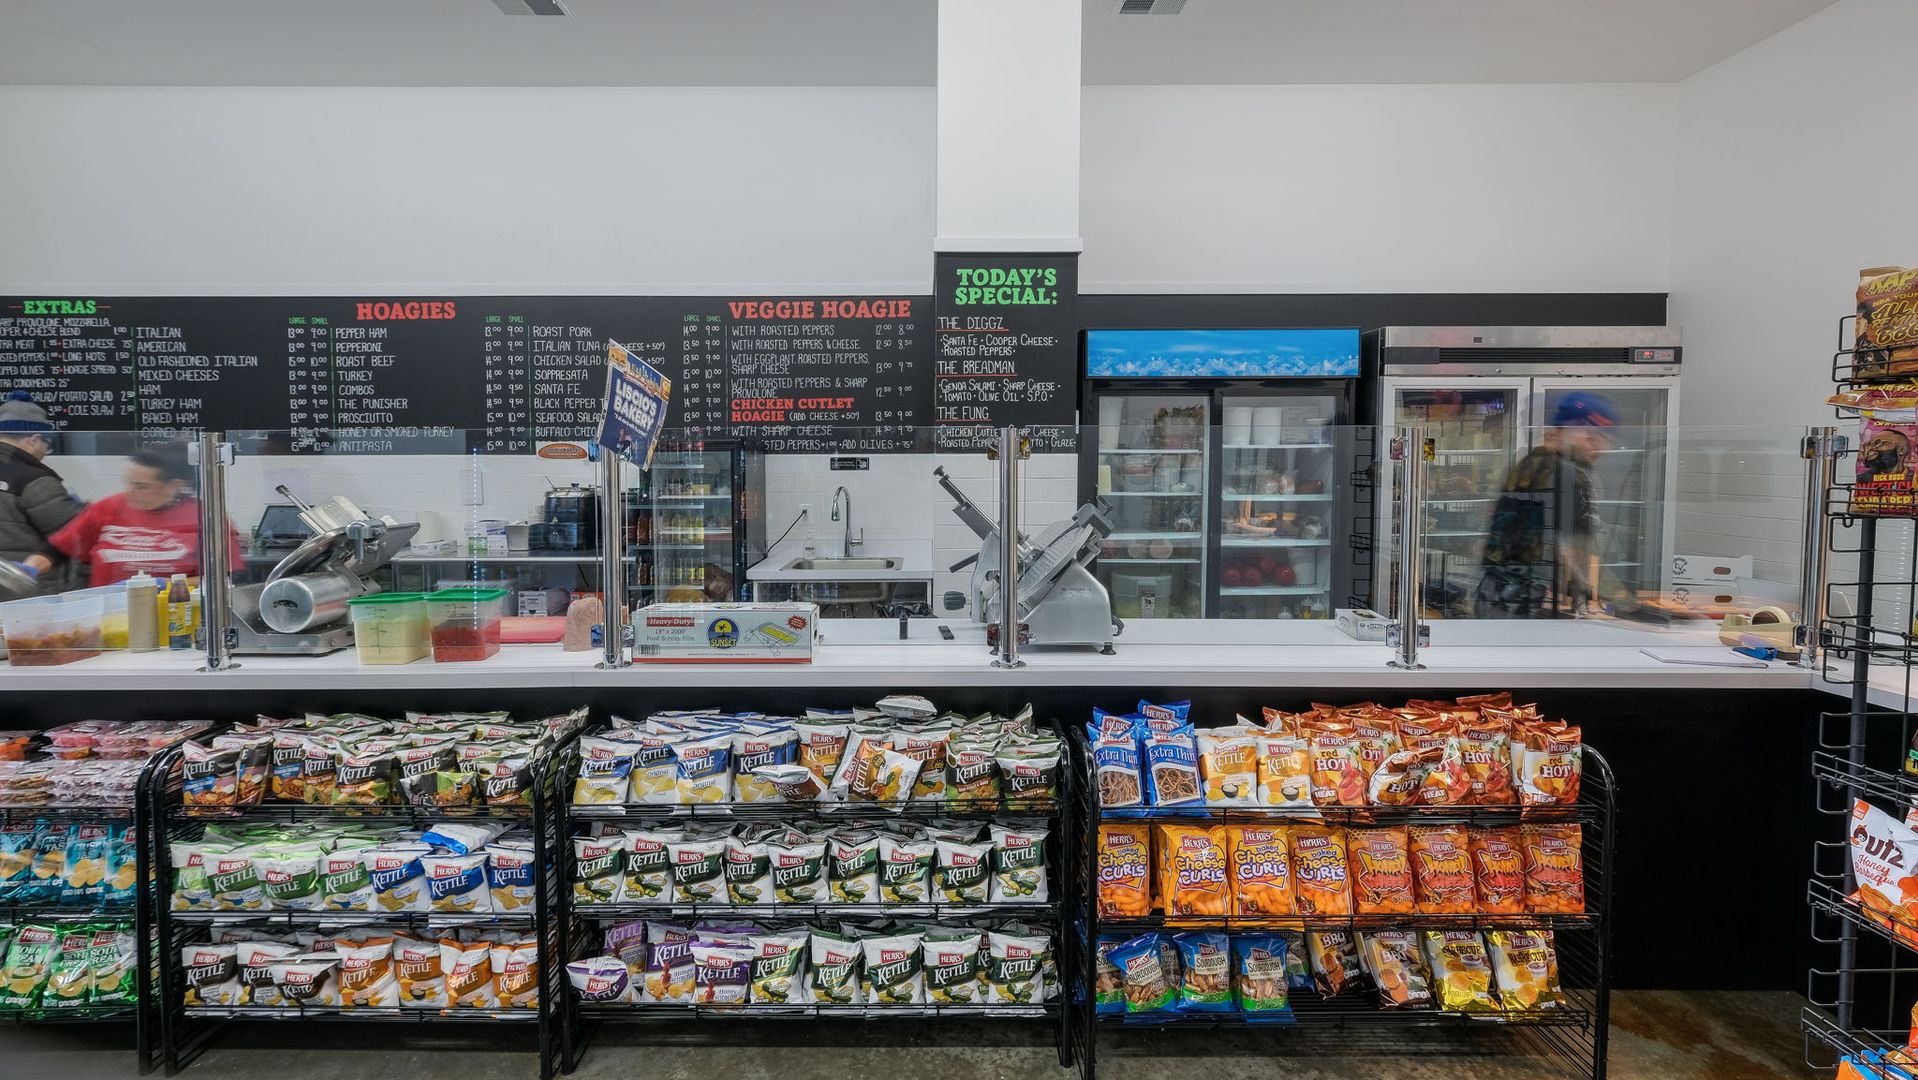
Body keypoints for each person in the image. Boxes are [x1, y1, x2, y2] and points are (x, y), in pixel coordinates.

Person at [1474, 393, 1619, 619]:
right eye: (1592, 436)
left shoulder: (1532, 463)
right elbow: (1567, 547)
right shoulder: (1563, 474)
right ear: (1565, 430)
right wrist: (1613, 596)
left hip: (1499, 592)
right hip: (1520, 600)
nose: (1600, 448)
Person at [25, 441, 241, 587]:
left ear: (173, 486)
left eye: (141, 486)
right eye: (128, 482)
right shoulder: (108, 507)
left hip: (177, 619)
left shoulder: (205, 516)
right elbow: (59, 549)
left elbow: (227, 579)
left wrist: (166, 584)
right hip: (109, 618)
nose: (129, 491)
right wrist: (29, 568)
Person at [0, 391, 85, 592]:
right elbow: (74, 536)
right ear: (34, 440)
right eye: (47, 445)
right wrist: (85, 513)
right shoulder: (35, 480)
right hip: (27, 592)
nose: (46, 453)